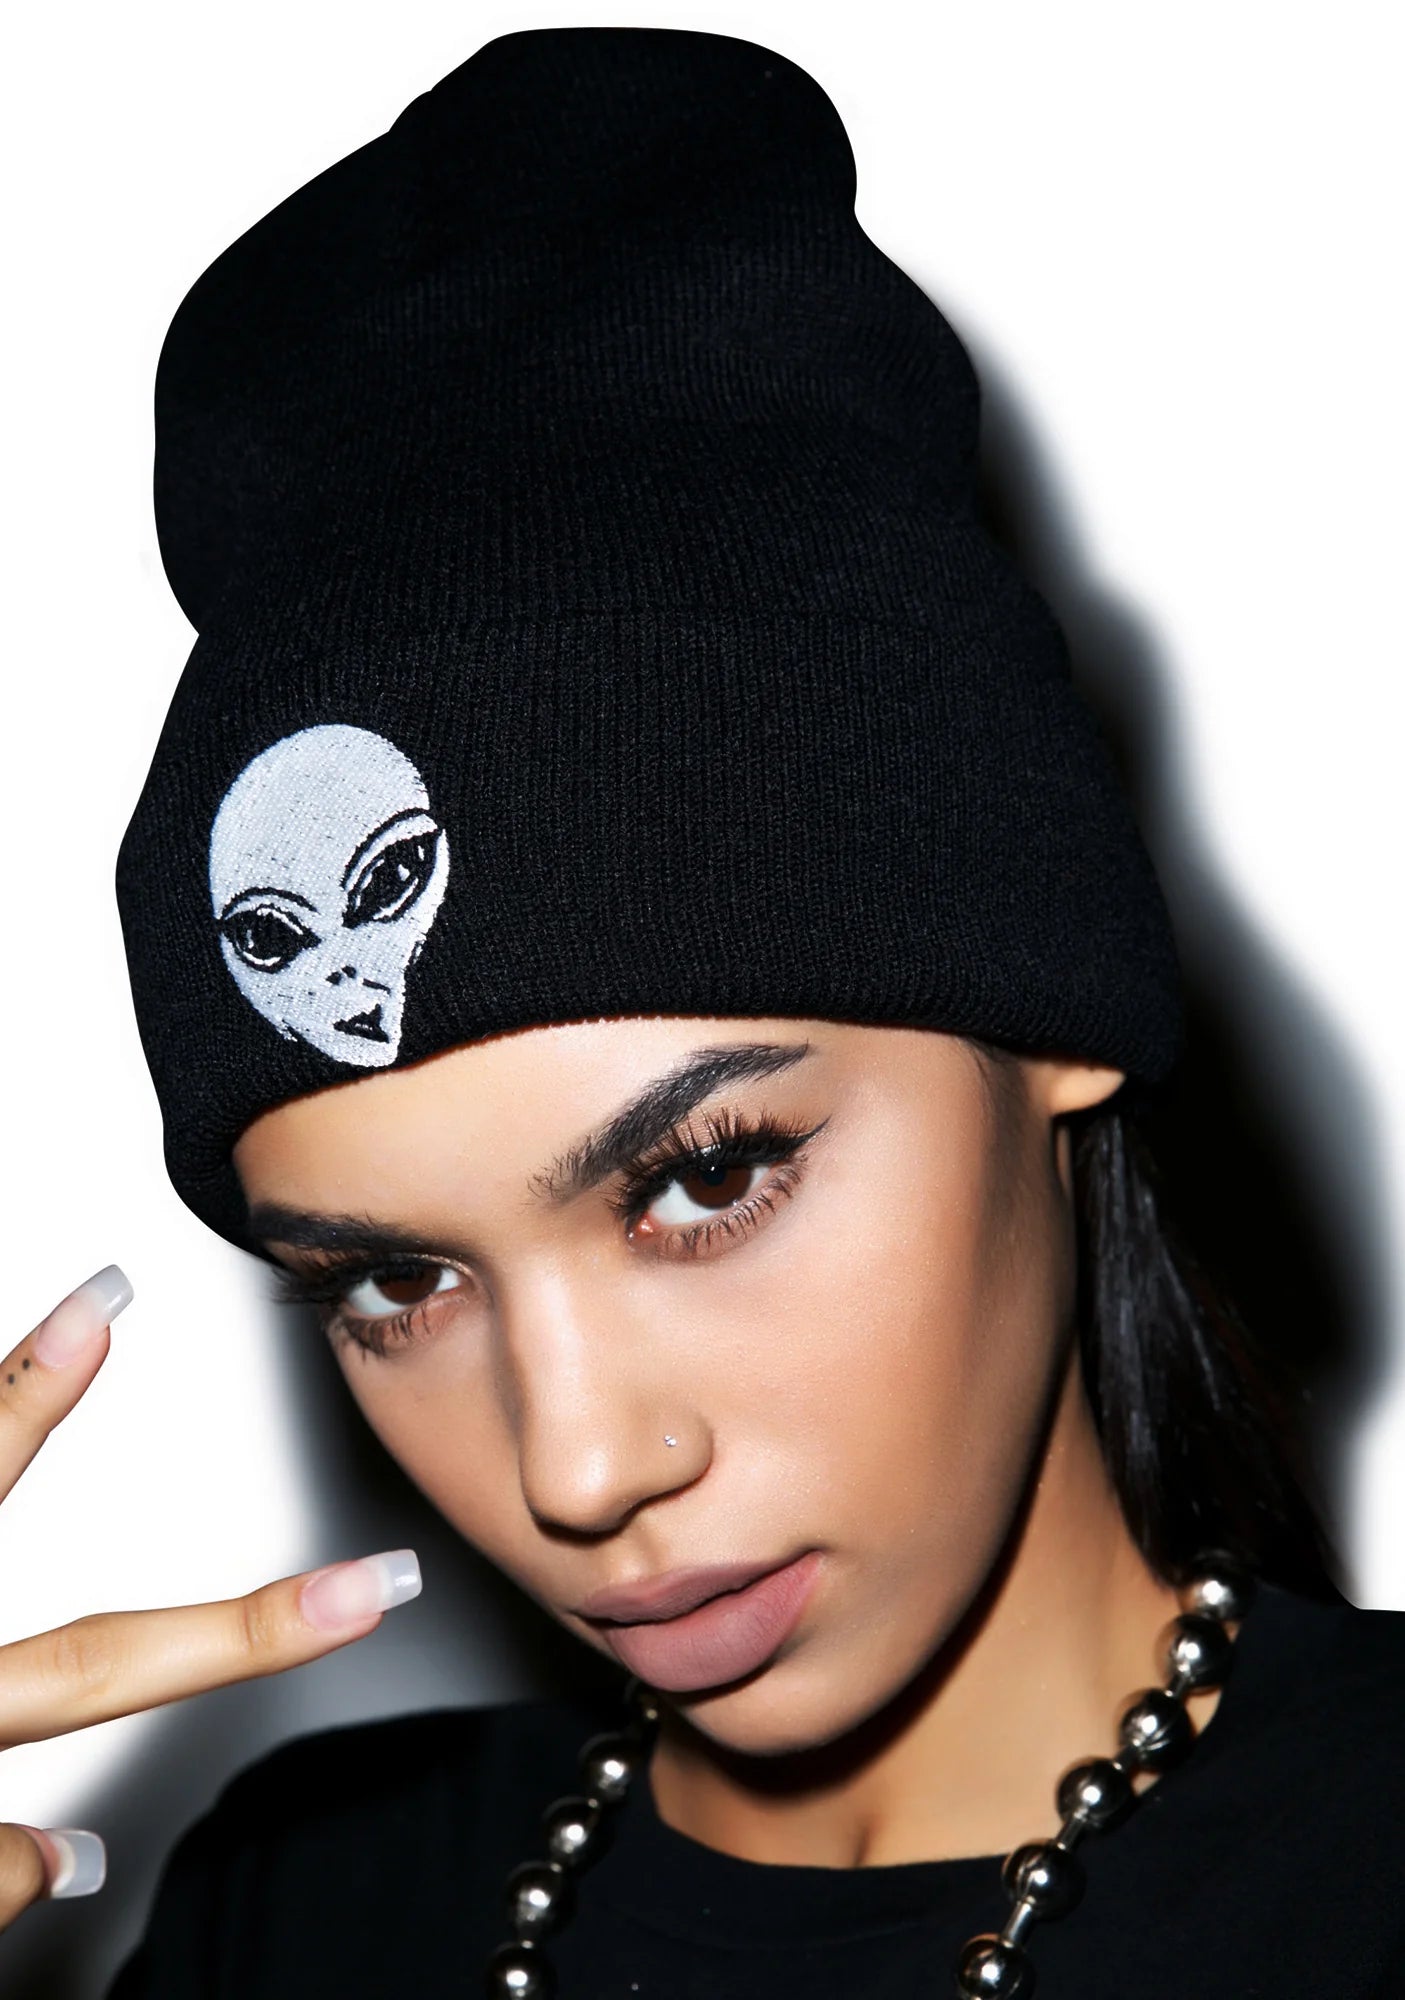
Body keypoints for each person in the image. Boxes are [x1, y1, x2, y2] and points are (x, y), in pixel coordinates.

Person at [2, 24, 1401, 1998]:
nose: (576, 1468)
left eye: (705, 1178)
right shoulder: (302, 1907)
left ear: (1054, 1016)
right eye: (393, 1281)